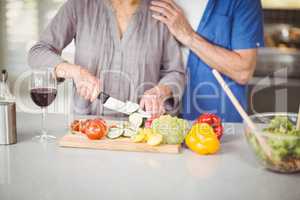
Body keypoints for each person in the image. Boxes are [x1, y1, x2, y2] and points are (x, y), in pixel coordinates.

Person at [28, 0, 185, 117]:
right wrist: (76, 72)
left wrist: (162, 90)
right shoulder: (80, 6)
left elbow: (175, 73)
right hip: (87, 129)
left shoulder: (163, 12)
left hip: (144, 133)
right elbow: (38, 52)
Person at [150, 0, 264, 122]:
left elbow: (243, 71)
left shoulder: (242, 2)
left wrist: (188, 36)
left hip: (219, 124)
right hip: (160, 120)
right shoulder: (147, 3)